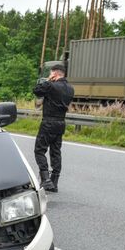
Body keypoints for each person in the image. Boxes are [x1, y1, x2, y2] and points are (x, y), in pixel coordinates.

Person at [33, 63, 74, 192]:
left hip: (48, 122)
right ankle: (54, 182)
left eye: (50, 73)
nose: (49, 76)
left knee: (39, 150)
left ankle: (45, 180)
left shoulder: (51, 85)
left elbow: (37, 90)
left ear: (55, 74)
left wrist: (47, 81)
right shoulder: (70, 88)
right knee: (56, 152)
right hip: (61, 123)